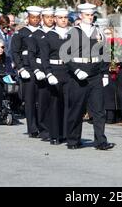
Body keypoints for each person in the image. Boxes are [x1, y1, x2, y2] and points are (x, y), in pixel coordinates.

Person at [65, 2, 114, 150]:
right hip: (78, 74)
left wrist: (105, 73)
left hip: (95, 74)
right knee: (77, 109)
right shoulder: (73, 32)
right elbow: (65, 56)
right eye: (87, 15)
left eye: (92, 15)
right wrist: (76, 70)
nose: (90, 17)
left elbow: (105, 53)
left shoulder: (98, 32)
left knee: (99, 110)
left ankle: (100, 141)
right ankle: (73, 140)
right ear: (81, 15)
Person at [40, 8, 71, 144]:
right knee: (55, 104)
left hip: (69, 71)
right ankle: (55, 135)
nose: (63, 20)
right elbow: (44, 58)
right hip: (55, 71)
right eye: (61, 18)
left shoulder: (72, 35)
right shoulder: (48, 36)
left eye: (65, 18)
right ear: (55, 19)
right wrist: (49, 73)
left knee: (68, 104)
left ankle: (66, 133)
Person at [11, 6, 42, 138]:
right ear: (28, 18)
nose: (35, 20)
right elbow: (15, 52)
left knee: (41, 99)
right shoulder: (21, 33)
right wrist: (21, 68)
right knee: (30, 100)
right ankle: (32, 128)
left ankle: (42, 126)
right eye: (32, 18)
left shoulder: (43, 32)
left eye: (37, 18)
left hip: (40, 68)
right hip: (27, 68)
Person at [28, 7, 55, 141]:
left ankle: (56, 128)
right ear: (42, 19)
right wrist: (37, 70)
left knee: (55, 101)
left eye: (52, 17)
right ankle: (44, 130)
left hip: (56, 69)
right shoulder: (36, 35)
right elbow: (31, 56)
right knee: (43, 101)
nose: (50, 19)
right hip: (41, 71)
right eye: (47, 17)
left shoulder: (58, 33)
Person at [103, 27, 122, 124]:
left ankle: (120, 115)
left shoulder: (119, 43)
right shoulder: (101, 45)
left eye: (109, 33)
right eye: (105, 33)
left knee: (119, 94)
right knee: (108, 94)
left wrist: (118, 64)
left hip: (119, 72)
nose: (107, 35)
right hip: (107, 72)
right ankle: (109, 116)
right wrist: (107, 67)